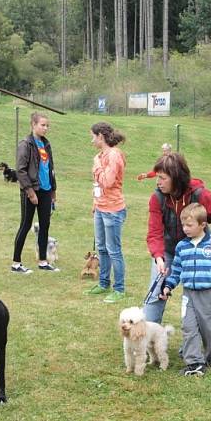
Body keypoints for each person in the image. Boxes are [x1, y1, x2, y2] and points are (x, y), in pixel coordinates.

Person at [143, 153, 211, 324]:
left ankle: (202, 337)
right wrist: (159, 258)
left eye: (162, 178)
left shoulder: (200, 194)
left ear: (176, 178)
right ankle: (147, 338)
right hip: (168, 251)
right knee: (156, 291)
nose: (157, 182)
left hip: (198, 249)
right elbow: (154, 232)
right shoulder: (157, 198)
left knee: (202, 294)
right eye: (157, 177)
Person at [161, 203, 211, 376]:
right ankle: (194, 362)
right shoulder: (181, 246)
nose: (185, 229)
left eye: (189, 225)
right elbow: (176, 269)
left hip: (208, 293)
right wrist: (168, 285)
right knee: (188, 326)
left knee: (208, 327)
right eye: (183, 225)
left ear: (202, 225)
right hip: (188, 294)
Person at [84, 122, 128, 303]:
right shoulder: (101, 155)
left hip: (113, 210)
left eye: (93, 136)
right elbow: (98, 185)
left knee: (113, 250)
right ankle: (103, 284)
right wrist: (95, 203)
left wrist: (96, 165)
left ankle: (119, 289)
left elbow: (108, 181)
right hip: (101, 208)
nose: (92, 139)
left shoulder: (114, 155)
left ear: (100, 136)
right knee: (101, 248)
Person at [13, 112, 57, 274]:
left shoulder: (46, 144)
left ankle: (43, 261)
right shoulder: (26, 144)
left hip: (45, 190)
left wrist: (53, 190)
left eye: (47, 125)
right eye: (42, 125)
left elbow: (50, 169)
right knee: (25, 225)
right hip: (31, 191)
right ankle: (16, 263)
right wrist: (30, 193)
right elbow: (20, 170)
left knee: (45, 225)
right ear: (33, 125)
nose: (45, 128)